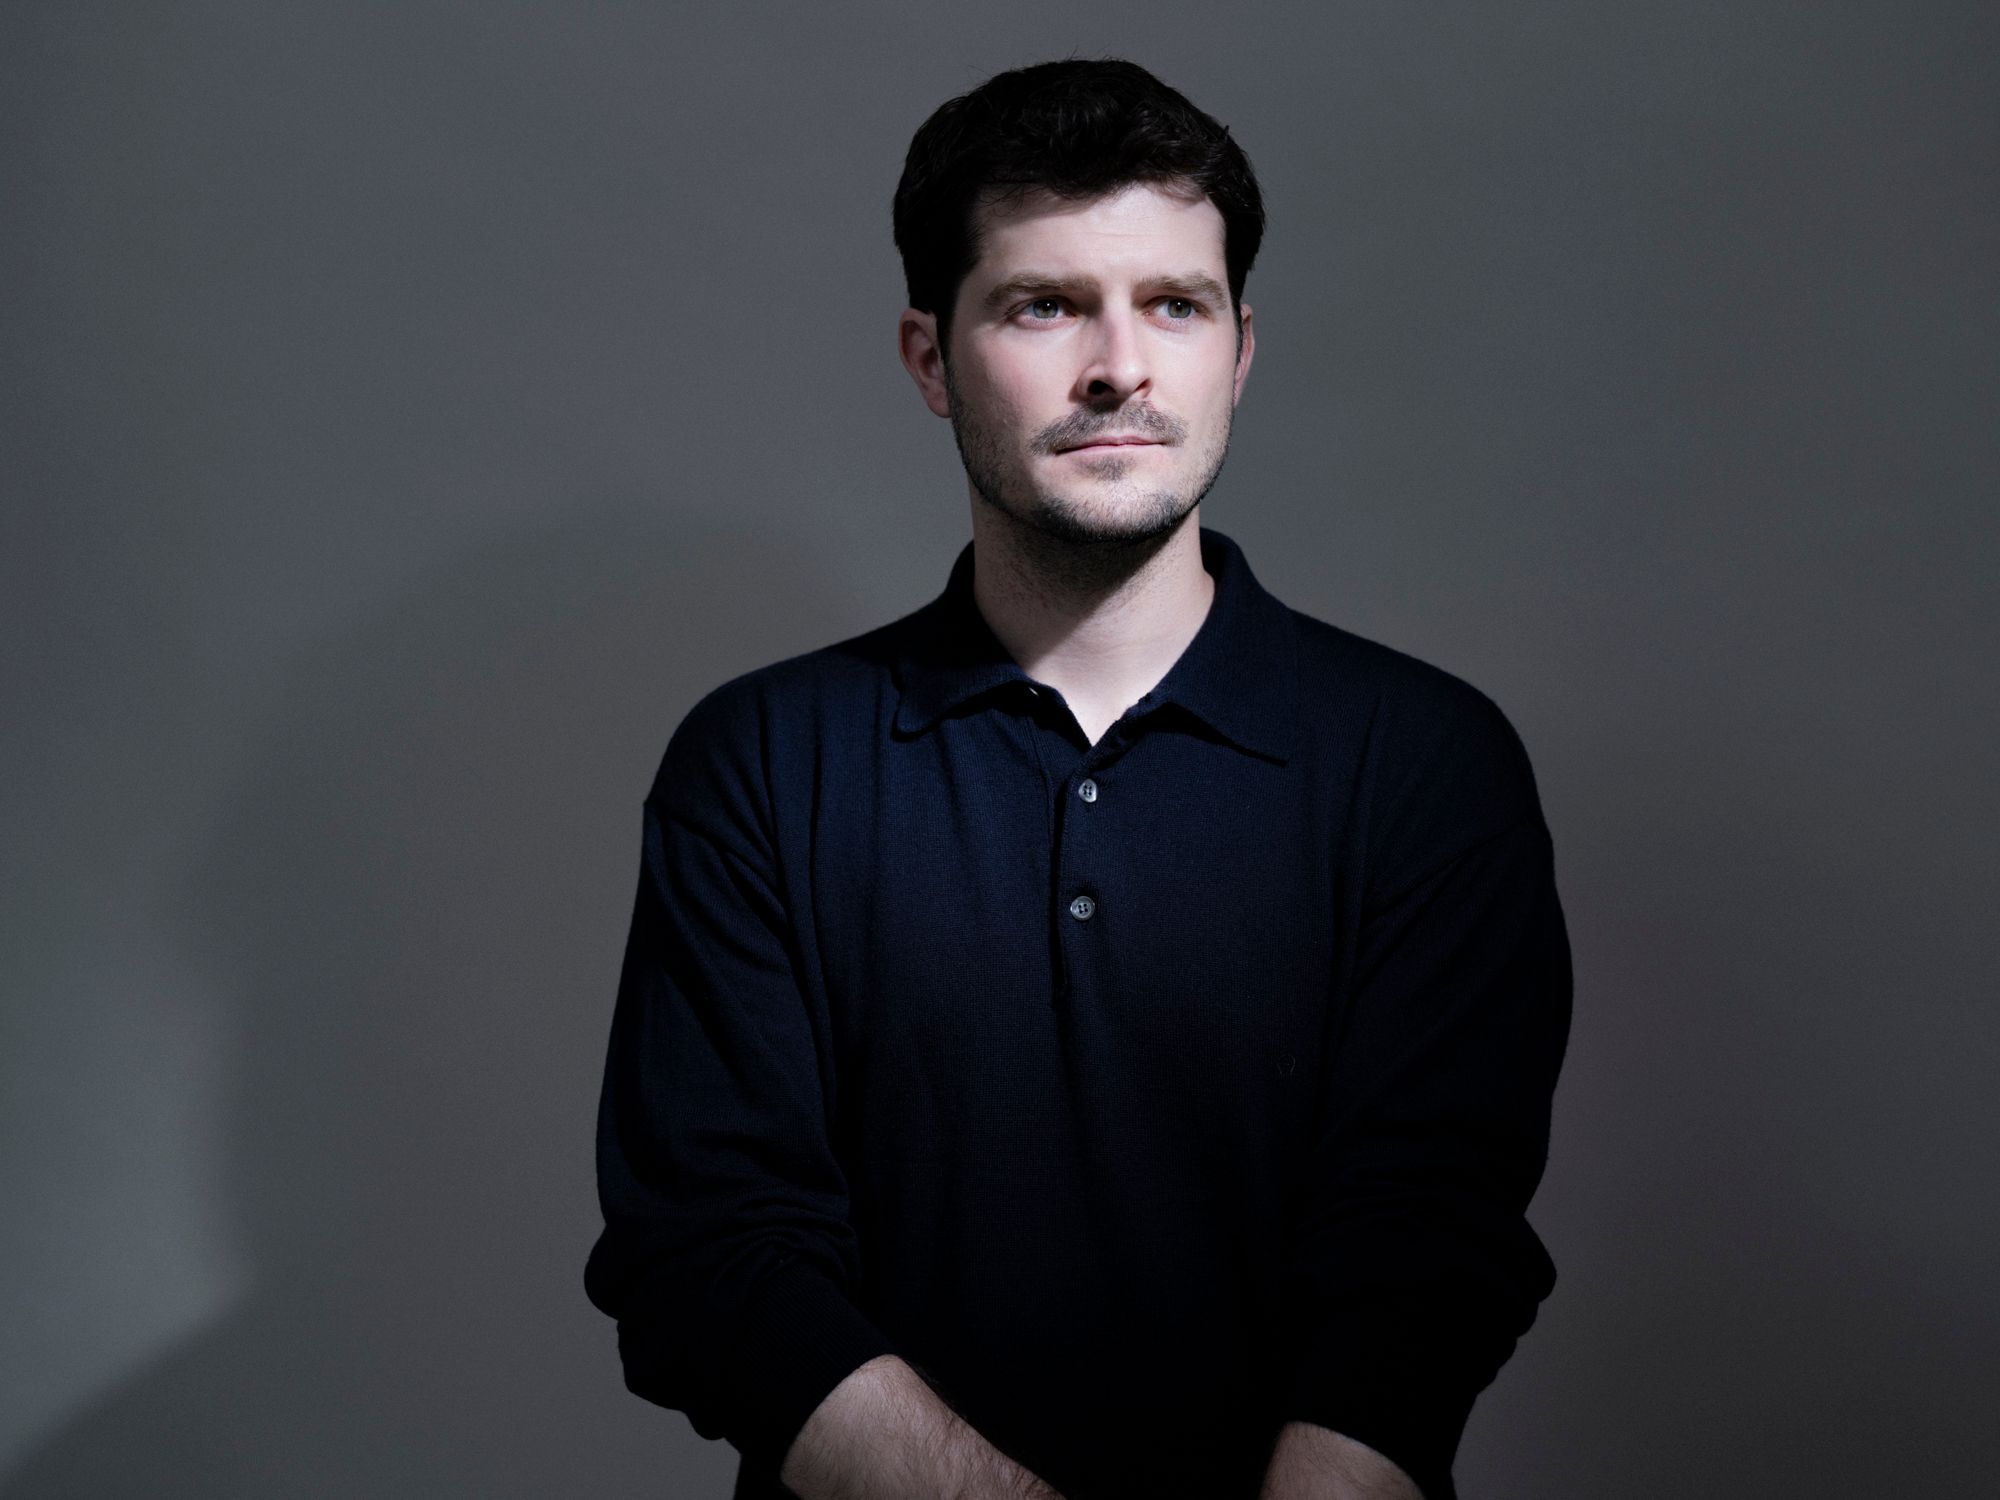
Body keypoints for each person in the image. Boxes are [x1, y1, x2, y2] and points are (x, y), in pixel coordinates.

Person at [584, 57, 1571, 1500]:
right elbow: (712, 1247)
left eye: (1175, 304)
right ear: (931, 358)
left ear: (1239, 349)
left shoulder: (1426, 763)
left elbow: (1427, 1251)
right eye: (1044, 306)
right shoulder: (762, 764)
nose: (1121, 366)